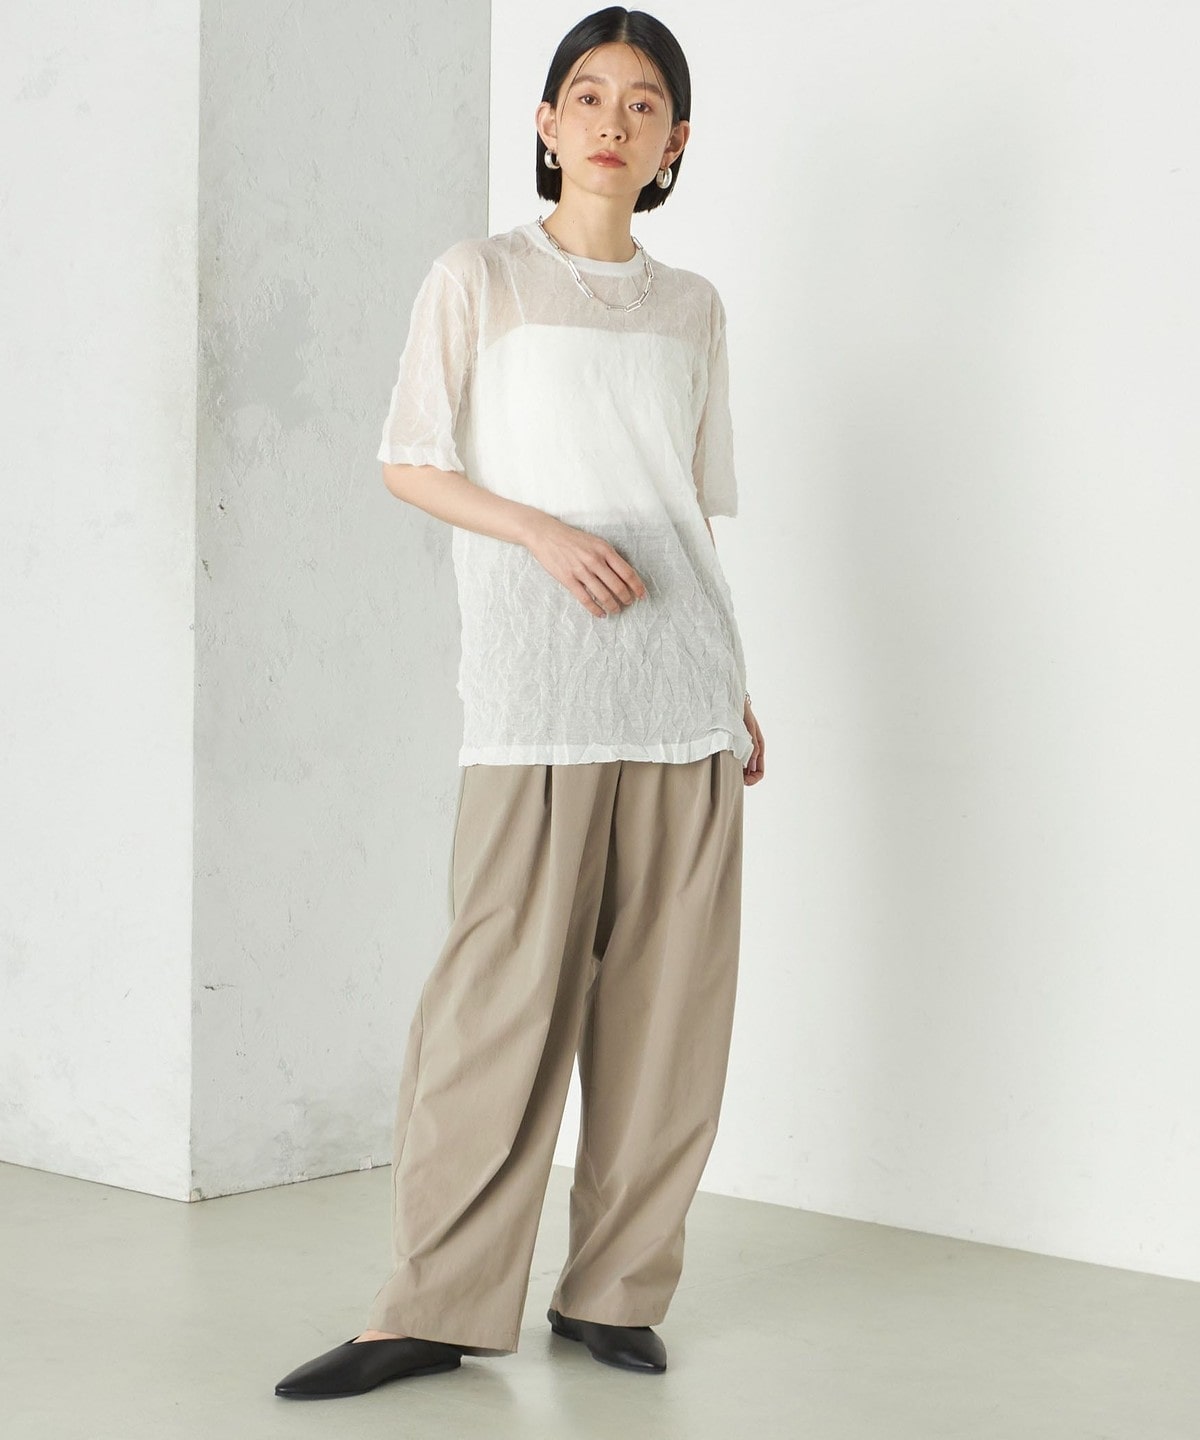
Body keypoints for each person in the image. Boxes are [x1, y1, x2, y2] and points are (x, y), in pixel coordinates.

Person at [274, 5, 765, 1402]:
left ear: (676, 142)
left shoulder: (693, 307)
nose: (614, 121)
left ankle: (614, 1292)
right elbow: (410, 460)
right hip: (538, 687)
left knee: (670, 1013)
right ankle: (432, 1303)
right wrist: (541, 533)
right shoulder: (478, 277)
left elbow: (689, 515)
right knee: (496, 1001)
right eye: (588, 95)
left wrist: (738, 684)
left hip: (682, 686)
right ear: (546, 123)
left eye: (644, 102)